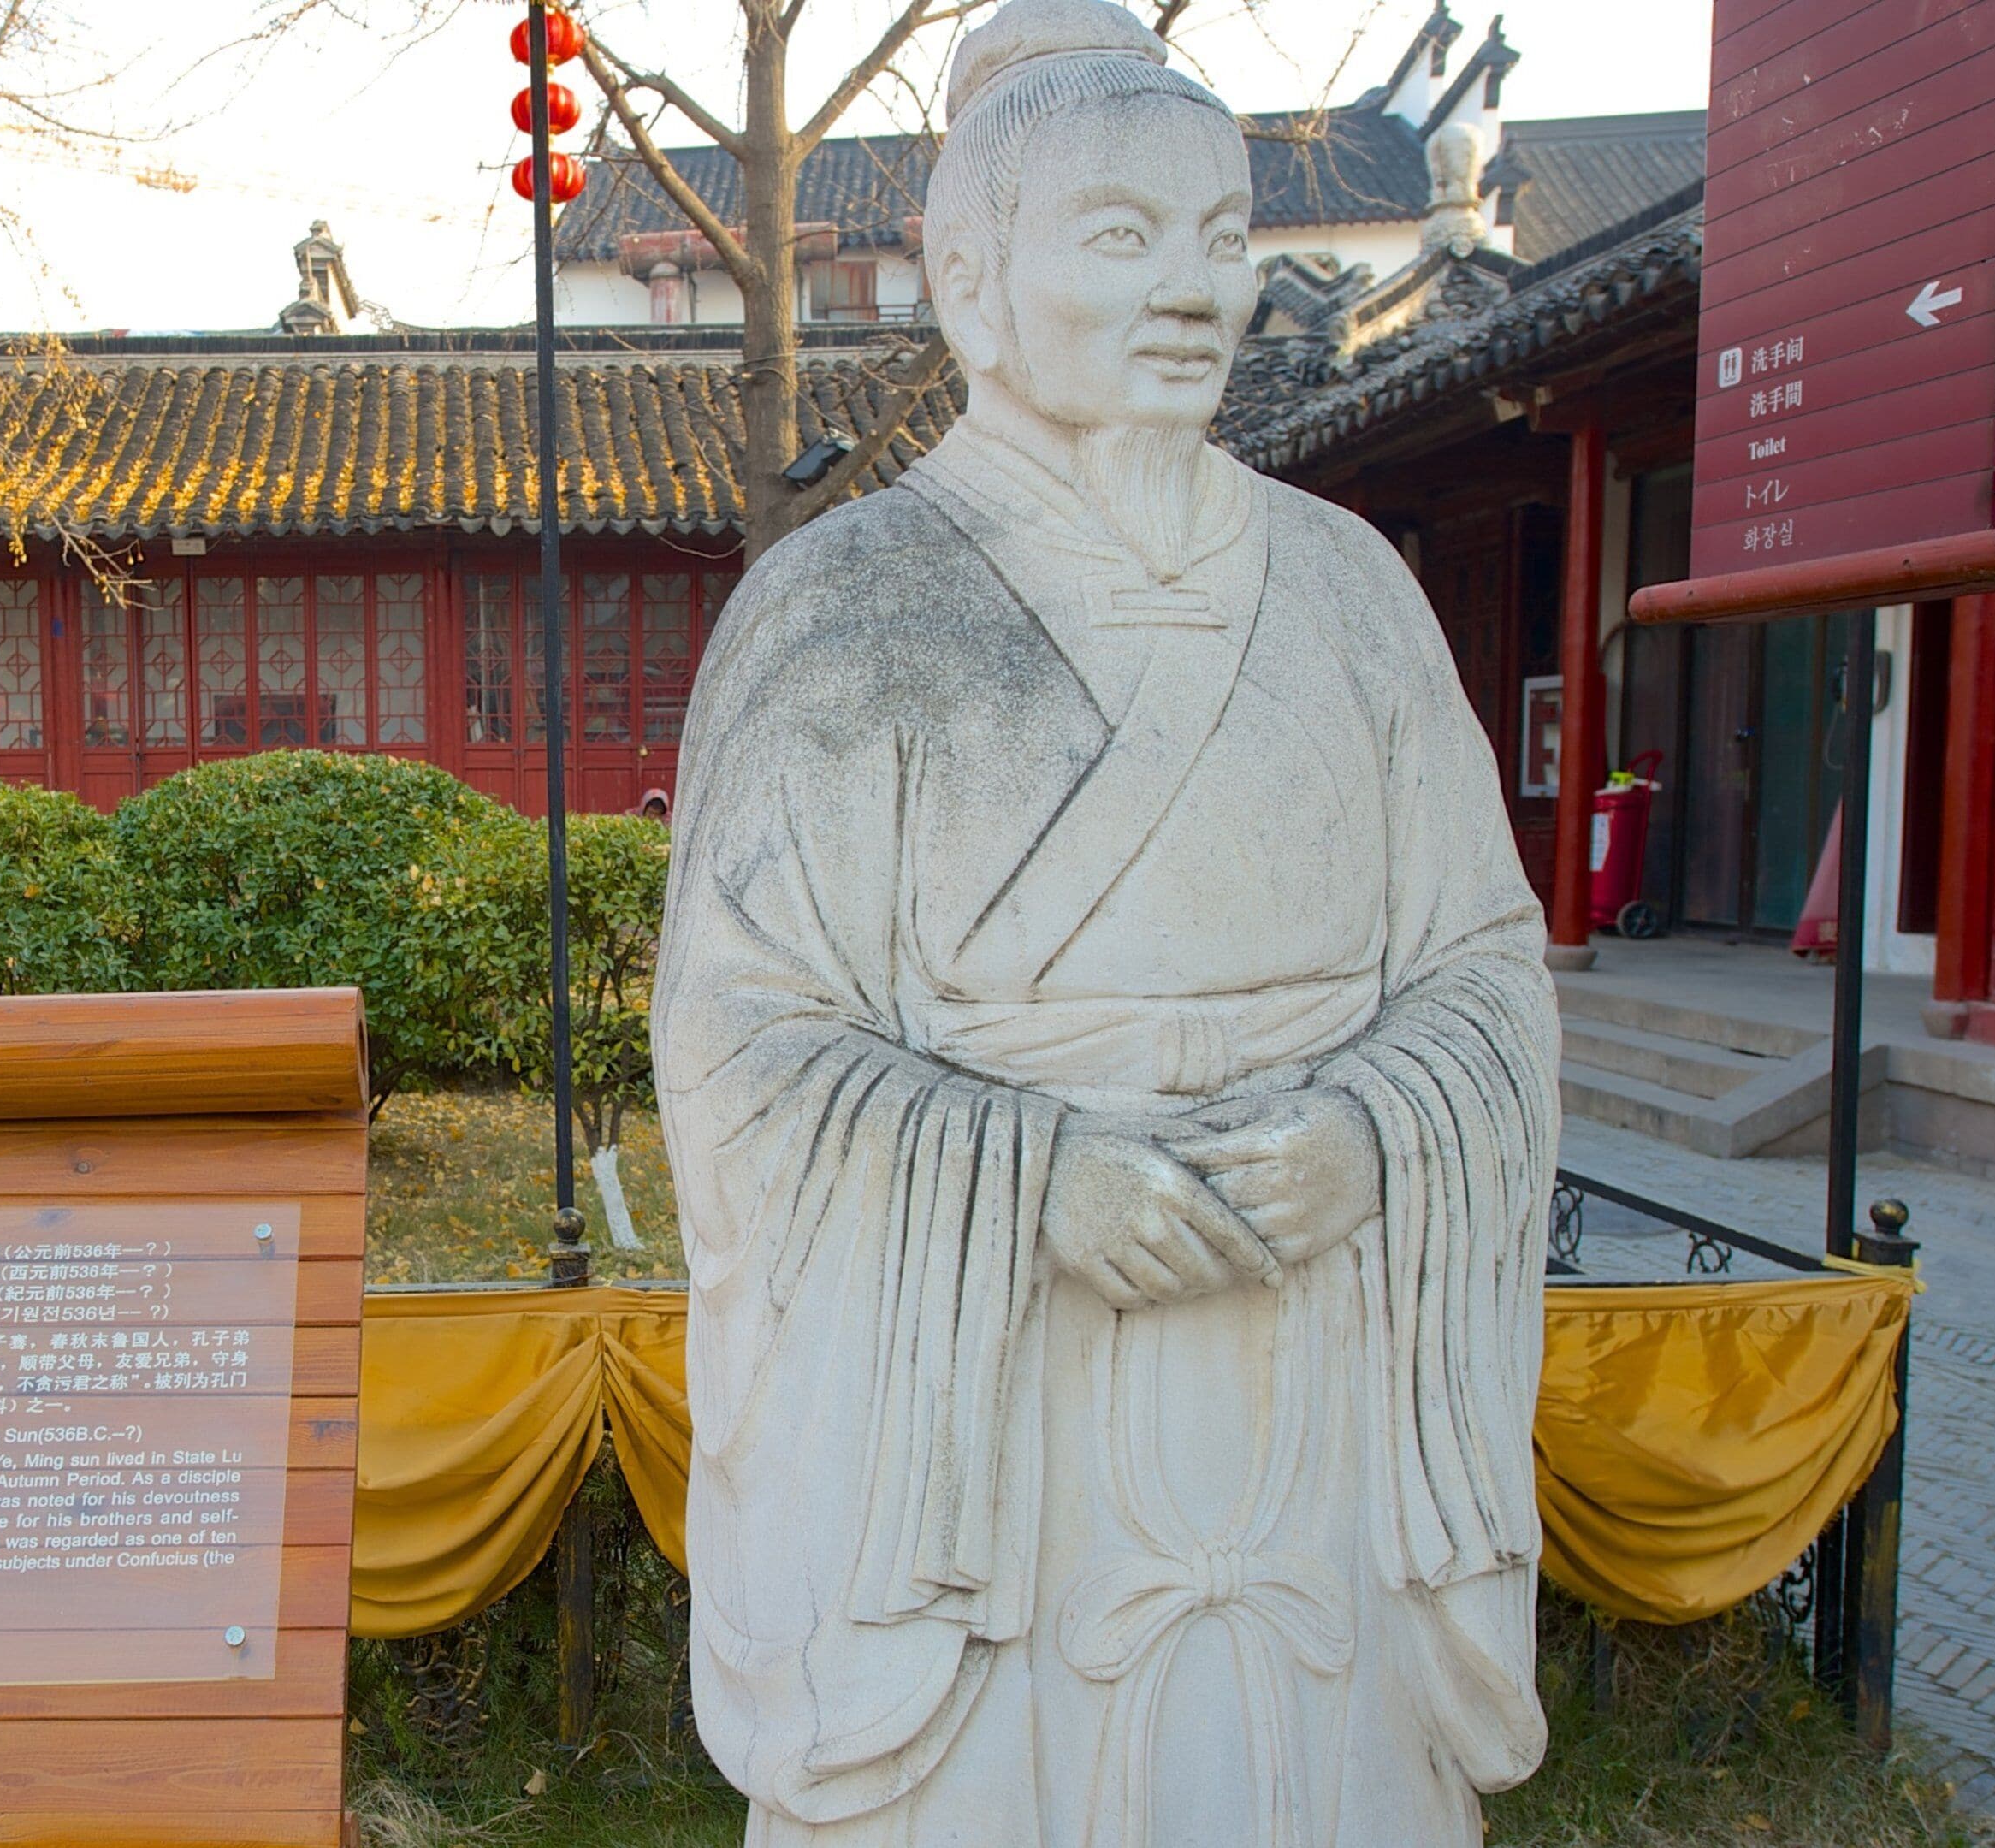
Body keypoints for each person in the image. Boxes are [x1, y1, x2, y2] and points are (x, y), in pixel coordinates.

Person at [651, 3, 1558, 1843]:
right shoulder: (843, 611)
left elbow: (1483, 966)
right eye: (1122, 237)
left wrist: (1379, 1134)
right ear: (970, 284)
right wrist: (1029, 1182)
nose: (1192, 293)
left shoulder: (1353, 593)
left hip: (1315, 1355)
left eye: (1222, 238)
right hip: (988, 1412)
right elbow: (742, 1036)